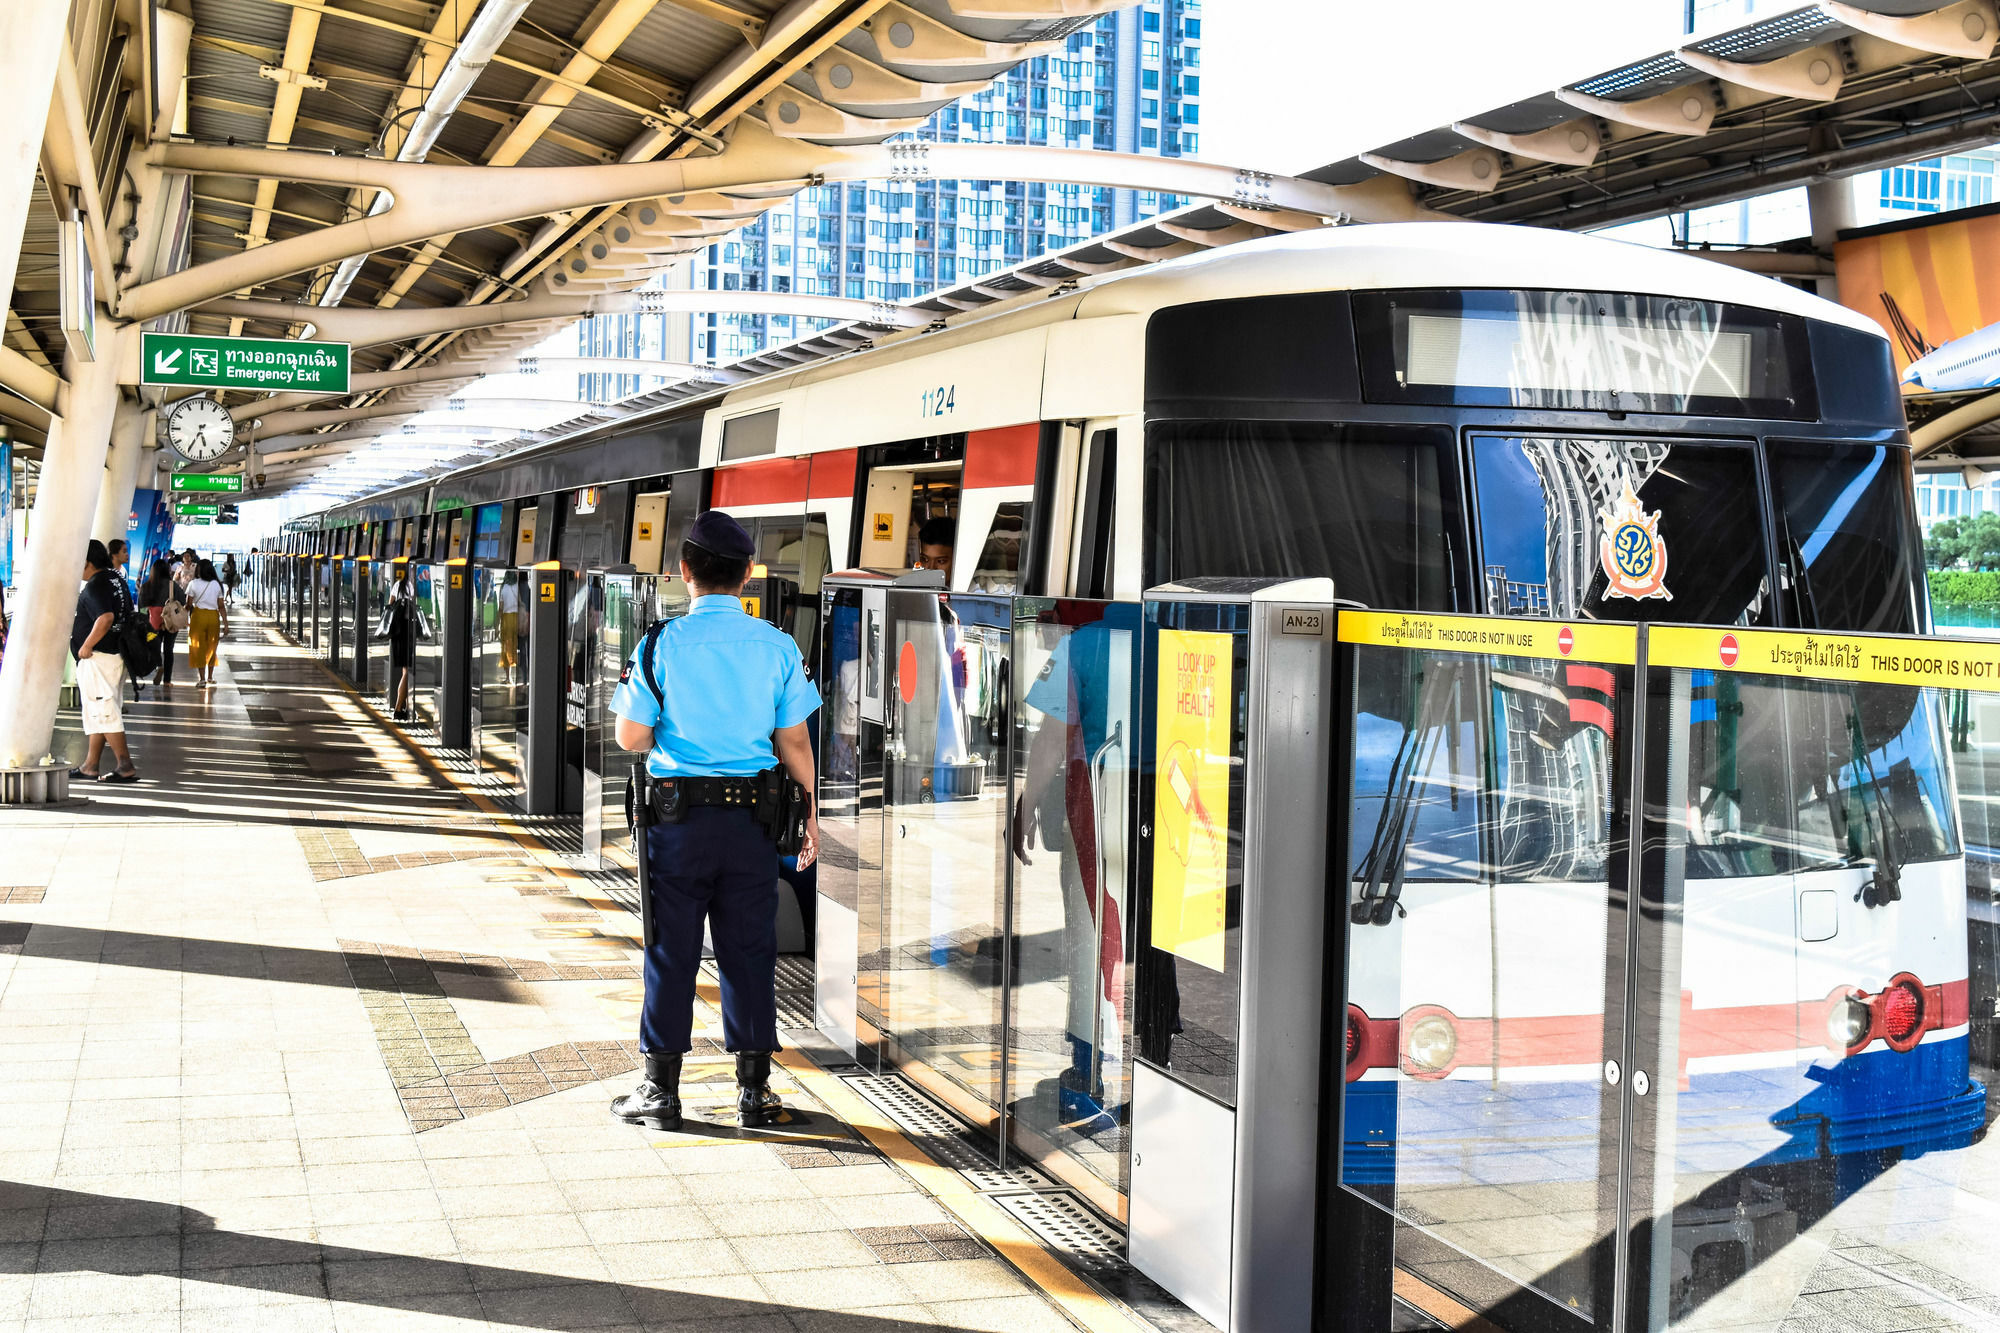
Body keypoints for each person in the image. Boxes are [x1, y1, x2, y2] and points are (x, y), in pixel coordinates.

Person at [608, 511, 821, 1132]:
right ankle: (754, 1095)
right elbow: (795, 744)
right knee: (749, 951)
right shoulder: (778, 645)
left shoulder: (659, 644)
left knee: (671, 951)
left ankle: (660, 1092)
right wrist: (812, 812)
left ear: (683, 574)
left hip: (676, 827)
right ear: (749, 575)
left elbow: (631, 735)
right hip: (754, 824)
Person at [72, 540, 139, 784]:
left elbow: (106, 618)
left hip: (99, 657)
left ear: (87, 562)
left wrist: (86, 645)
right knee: (98, 709)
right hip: (115, 654)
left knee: (105, 709)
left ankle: (125, 765)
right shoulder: (116, 579)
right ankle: (90, 765)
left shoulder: (94, 586)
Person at [138, 559, 185, 696]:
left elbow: (141, 606)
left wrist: (146, 621)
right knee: (169, 650)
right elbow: (181, 601)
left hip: (153, 624)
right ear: (167, 570)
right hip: (170, 623)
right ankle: (167, 680)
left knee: (154, 647)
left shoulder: (147, 586)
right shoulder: (173, 586)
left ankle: (159, 665)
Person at [107, 540, 145, 700]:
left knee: (118, 680)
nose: (127, 554)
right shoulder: (108, 576)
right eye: (124, 551)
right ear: (114, 554)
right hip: (112, 636)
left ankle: (117, 706)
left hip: (121, 634)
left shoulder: (121, 572)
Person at [381, 566, 419, 721]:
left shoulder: (398, 585)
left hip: (398, 634)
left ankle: (403, 707)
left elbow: (390, 607)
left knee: (406, 672)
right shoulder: (411, 587)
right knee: (407, 673)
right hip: (407, 633)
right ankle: (398, 708)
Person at [183, 558, 228, 687]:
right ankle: (210, 677)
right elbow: (221, 606)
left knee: (198, 647)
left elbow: (189, 604)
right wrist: (226, 624)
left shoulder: (193, 583)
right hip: (213, 617)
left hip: (198, 616)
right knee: (212, 647)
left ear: (199, 570)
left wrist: (183, 616)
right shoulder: (217, 584)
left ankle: (202, 679)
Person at [497, 570, 523, 683]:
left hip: (506, 620)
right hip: (516, 618)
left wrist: (497, 623)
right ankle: (518, 676)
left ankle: (509, 676)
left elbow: (501, 608)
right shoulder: (517, 587)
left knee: (506, 647)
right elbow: (520, 602)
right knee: (514, 646)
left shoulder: (503, 588)